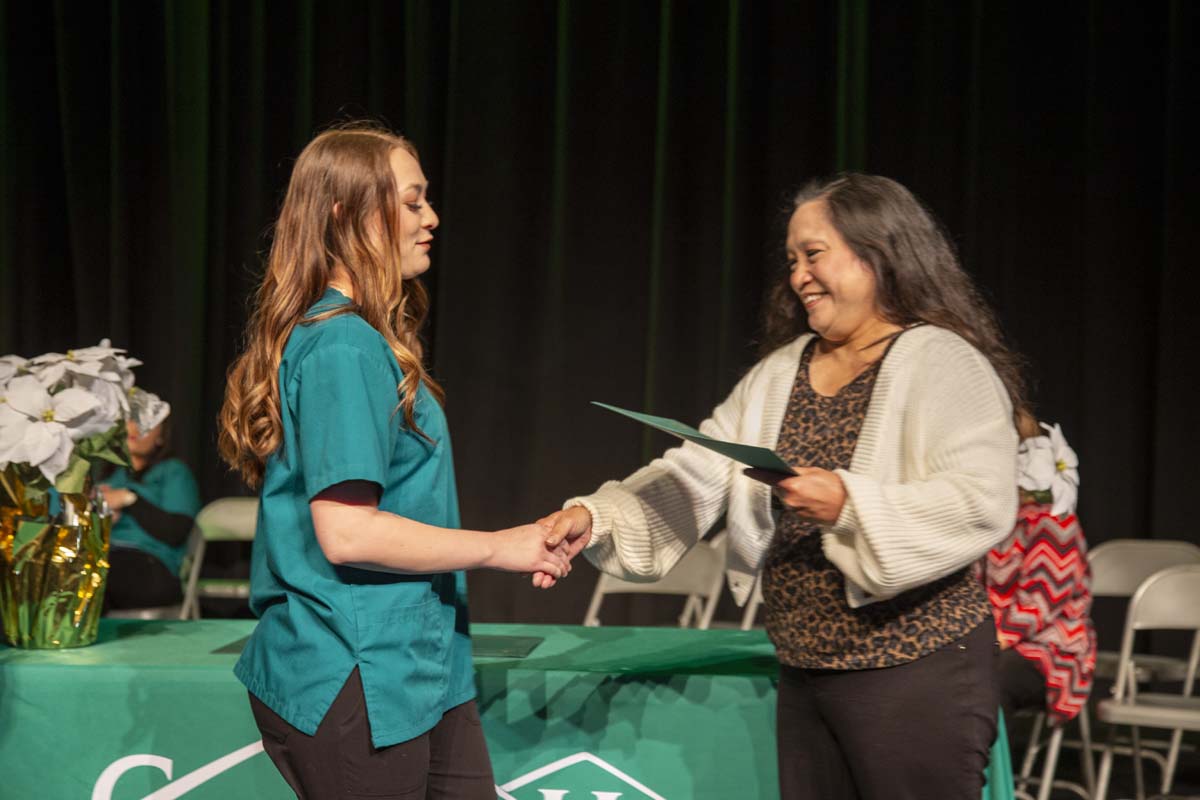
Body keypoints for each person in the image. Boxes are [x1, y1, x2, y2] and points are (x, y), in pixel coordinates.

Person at [539, 174, 1023, 799]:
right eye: (792, 260)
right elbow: (695, 473)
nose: (799, 276)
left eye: (814, 254)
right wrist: (598, 516)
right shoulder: (779, 373)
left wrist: (849, 504)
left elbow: (981, 502)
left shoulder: (941, 361)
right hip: (806, 667)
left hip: (915, 666)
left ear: (879, 252)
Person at [217, 124, 571, 799]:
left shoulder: (363, 340)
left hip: (417, 667)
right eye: (412, 203)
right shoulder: (342, 346)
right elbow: (347, 533)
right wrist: (501, 548)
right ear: (347, 216)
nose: (431, 218)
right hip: (355, 672)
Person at [982, 412, 1095, 732]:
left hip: (1044, 650)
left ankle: (982, 781)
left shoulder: (1053, 522)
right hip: (987, 641)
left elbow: (1038, 605)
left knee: (979, 685)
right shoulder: (988, 519)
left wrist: (987, 643)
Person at [100, 391, 201, 611]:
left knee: (98, 575)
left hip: (151, 565)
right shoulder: (111, 477)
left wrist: (129, 499)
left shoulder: (173, 472)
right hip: (107, 558)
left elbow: (175, 531)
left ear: (161, 436)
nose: (135, 428)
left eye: (146, 423)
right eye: (131, 419)